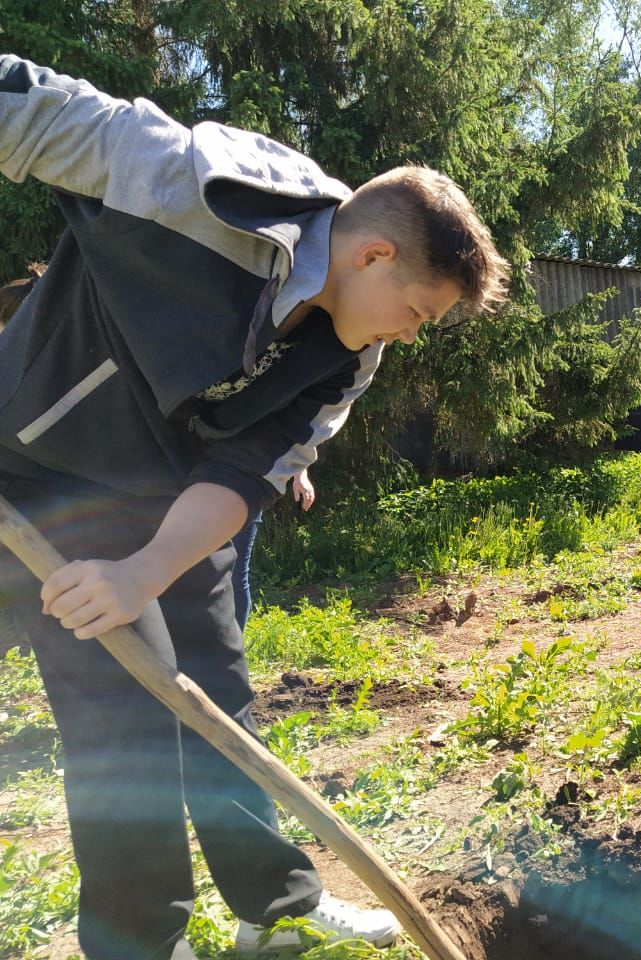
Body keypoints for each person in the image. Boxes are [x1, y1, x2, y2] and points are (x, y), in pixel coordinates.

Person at [0, 53, 509, 960]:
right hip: (35, 475)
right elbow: (28, 105)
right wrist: (116, 580)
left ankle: (273, 906)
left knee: (215, 698)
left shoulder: (352, 356)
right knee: (126, 719)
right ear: (373, 254)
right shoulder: (202, 189)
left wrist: (144, 570)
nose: (411, 335)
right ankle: (137, 946)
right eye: (418, 313)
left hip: (168, 500)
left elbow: (248, 471)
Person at [231, 468, 314, 631]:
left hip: (244, 490)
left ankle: (232, 649)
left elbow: (295, 442)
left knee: (236, 574)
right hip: (193, 490)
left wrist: (300, 473)